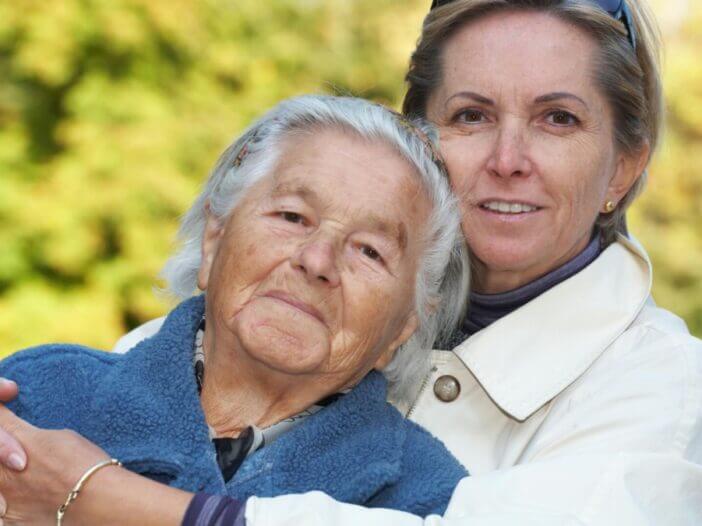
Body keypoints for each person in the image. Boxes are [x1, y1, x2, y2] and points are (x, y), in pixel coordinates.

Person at [0, 0, 701, 524]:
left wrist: (104, 498)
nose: (507, 160)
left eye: (558, 119)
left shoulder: (666, 387)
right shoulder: (102, 373)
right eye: (470, 116)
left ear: (624, 168)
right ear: (423, 141)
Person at [0, 95, 471, 524]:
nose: (317, 260)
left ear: (405, 325)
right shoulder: (42, 396)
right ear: (214, 238)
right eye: (292, 217)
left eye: (370, 251)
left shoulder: (427, 494)